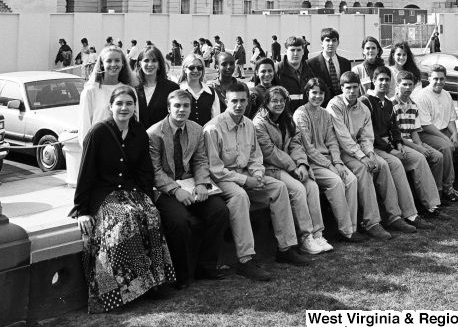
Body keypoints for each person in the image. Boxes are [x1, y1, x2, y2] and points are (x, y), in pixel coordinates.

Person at [71, 85, 175, 313]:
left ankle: (153, 282)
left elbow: (145, 171)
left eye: (129, 103)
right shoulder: (98, 132)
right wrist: (82, 210)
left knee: (150, 215)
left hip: (131, 190)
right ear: (110, 107)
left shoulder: (139, 132)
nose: (124, 108)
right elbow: (85, 172)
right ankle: (118, 292)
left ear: (135, 107)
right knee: (124, 221)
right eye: (119, 103)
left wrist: (146, 199)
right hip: (104, 194)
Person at [204, 82, 311, 281]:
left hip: (247, 173)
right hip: (223, 178)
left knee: (279, 187)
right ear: (226, 101)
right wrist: (246, 180)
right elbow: (215, 170)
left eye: (242, 101)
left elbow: (255, 157)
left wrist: (258, 175)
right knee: (240, 197)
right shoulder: (213, 128)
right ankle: (245, 261)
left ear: (248, 101)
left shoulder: (249, 124)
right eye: (234, 101)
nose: (238, 105)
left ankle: (286, 248)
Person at [148, 90, 230, 289]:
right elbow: (155, 170)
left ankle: (206, 266)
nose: (181, 109)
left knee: (219, 210)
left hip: (191, 183)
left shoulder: (196, 129)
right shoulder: (154, 133)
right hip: (164, 188)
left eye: (186, 106)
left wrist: (202, 183)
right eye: (177, 106)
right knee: (179, 221)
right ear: (169, 108)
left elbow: (201, 160)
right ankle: (182, 274)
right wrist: (175, 190)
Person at [326, 71, 414, 239]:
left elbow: (367, 137)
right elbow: (343, 138)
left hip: (358, 150)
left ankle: (394, 216)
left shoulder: (363, 108)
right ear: (342, 88)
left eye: (355, 88)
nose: (352, 92)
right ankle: (371, 222)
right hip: (339, 150)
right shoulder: (334, 105)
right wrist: (363, 157)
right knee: (363, 169)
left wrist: (371, 154)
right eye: (348, 88)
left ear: (359, 87)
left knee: (383, 165)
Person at [254, 86, 331, 254]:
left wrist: (302, 164)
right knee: (297, 189)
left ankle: (317, 233)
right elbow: (269, 152)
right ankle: (305, 237)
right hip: (270, 167)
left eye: (282, 101)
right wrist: (293, 167)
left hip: (292, 165)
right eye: (274, 101)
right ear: (266, 103)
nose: (279, 104)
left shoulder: (287, 118)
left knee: (311, 186)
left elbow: (296, 142)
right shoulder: (259, 123)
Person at [360, 66, 439, 228]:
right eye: (380, 79)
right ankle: (410, 215)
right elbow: (370, 134)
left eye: (387, 80)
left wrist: (398, 143)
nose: (384, 83)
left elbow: (394, 128)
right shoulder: (366, 102)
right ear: (373, 81)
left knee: (418, 158)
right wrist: (392, 150)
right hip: (373, 147)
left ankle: (432, 206)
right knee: (396, 164)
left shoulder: (388, 103)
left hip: (390, 145)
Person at [294, 78, 366, 243]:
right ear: (307, 93)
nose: (318, 96)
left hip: (329, 161)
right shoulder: (301, 114)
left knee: (351, 179)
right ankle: (346, 230)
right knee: (336, 182)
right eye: (314, 93)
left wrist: (337, 162)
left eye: (321, 93)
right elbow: (308, 148)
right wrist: (330, 166)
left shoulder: (325, 114)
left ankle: (353, 227)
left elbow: (332, 141)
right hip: (311, 162)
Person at [413, 64, 458, 203]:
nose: (439, 82)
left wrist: (455, 134)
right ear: (429, 78)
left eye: (442, 79)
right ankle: (448, 188)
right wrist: (446, 138)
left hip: (444, 130)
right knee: (446, 147)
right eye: (435, 79)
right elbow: (426, 125)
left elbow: (451, 118)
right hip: (426, 133)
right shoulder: (421, 96)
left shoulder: (446, 94)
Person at [392, 70, 447, 219]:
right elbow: (395, 135)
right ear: (397, 85)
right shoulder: (392, 104)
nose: (408, 88)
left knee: (437, 156)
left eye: (410, 85)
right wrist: (417, 148)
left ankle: (437, 197)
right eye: (404, 85)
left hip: (412, 141)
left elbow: (415, 130)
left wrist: (420, 145)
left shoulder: (413, 104)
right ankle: (429, 204)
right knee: (420, 158)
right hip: (400, 143)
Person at [78, 45, 135, 145]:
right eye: (109, 61)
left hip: (126, 150)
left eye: (117, 60)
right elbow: (84, 128)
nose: (113, 64)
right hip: (99, 149)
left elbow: (135, 122)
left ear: (123, 64)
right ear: (102, 64)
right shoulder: (90, 92)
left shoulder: (130, 91)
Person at [135, 45, 179, 129]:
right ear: (140, 64)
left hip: (162, 138)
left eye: (154, 61)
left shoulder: (172, 88)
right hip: (137, 139)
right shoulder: (133, 88)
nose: (150, 64)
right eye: (146, 60)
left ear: (159, 65)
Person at [308, 27, 352, 103]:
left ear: (338, 43)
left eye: (334, 40)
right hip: (321, 105)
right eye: (327, 40)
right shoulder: (311, 64)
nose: (331, 44)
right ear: (321, 43)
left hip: (342, 105)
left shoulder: (346, 63)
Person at [178, 54, 223, 126]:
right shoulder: (177, 90)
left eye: (199, 68)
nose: (196, 70)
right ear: (185, 69)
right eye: (191, 67)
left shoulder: (211, 93)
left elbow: (216, 120)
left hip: (206, 135)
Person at [275, 36, 314, 113]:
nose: (296, 53)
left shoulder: (309, 71)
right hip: (284, 118)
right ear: (286, 51)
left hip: (305, 117)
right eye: (292, 50)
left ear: (303, 51)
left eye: (299, 50)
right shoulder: (277, 71)